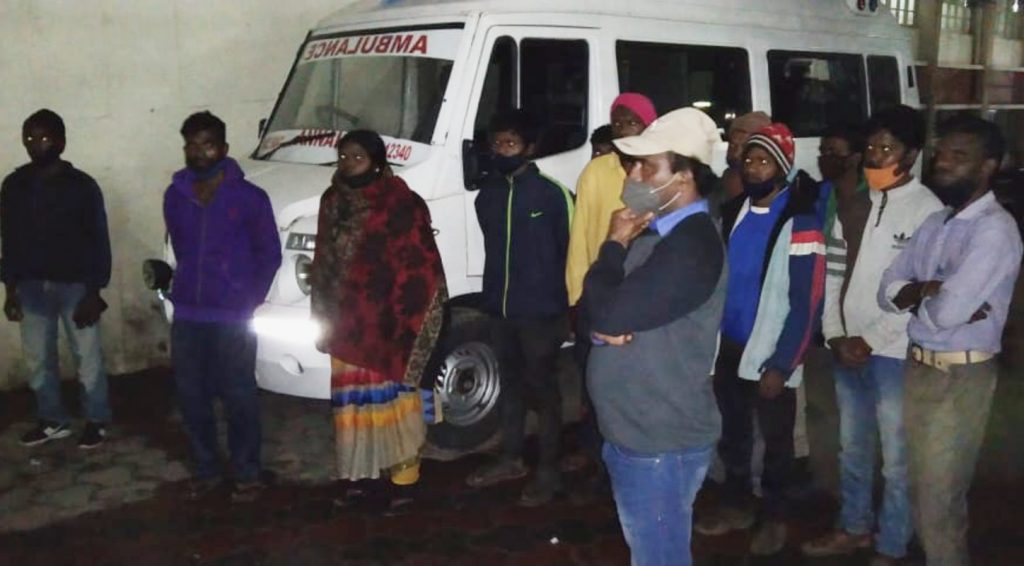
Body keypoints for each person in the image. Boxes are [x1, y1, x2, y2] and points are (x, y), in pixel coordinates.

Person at [878, 115, 1022, 566]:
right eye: (942, 153)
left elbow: (947, 313)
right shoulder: (936, 222)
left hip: (959, 375)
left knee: (939, 500)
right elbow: (887, 290)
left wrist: (919, 296)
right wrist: (928, 289)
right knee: (919, 490)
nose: (942, 163)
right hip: (919, 365)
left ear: (988, 166)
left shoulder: (994, 230)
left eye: (959, 156)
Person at [584, 108, 725, 565]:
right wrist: (602, 326)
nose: (634, 176)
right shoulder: (658, 232)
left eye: (648, 166)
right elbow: (597, 312)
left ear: (684, 176)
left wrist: (613, 244)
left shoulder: (692, 246)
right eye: (634, 165)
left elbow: (604, 309)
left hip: (661, 442)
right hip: (639, 432)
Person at [804, 106, 943, 565]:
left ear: (912, 154)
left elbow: (923, 292)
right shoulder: (855, 203)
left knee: (897, 460)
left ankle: (892, 543)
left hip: (893, 353)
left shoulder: (928, 212)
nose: (876, 156)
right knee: (853, 448)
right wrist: (835, 334)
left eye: (888, 148)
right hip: (847, 346)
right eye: (871, 147)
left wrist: (870, 339)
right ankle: (854, 526)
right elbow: (834, 272)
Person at [695, 123, 825, 556]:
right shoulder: (734, 212)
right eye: (749, 159)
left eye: (764, 160)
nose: (752, 168)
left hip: (770, 352)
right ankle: (737, 505)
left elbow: (808, 302)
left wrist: (783, 363)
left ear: (783, 166)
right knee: (733, 434)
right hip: (730, 345)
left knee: (775, 444)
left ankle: (774, 518)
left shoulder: (801, 222)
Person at [310, 130, 447, 510]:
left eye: (357, 157)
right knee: (355, 409)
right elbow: (323, 262)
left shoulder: (400, 203)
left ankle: (404, 481)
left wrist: (406, 323)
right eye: (343, 157)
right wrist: (323, 315)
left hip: (388, 328)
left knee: (394, 407)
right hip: (347, 328)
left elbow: (420, 268)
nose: (348, 164)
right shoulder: (332, 201)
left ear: (377, 162)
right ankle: (360, 477)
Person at [164, 111, 282, 502]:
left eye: (208, 144)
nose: (199, 152)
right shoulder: (175, 195)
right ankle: (206, 470)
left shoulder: (249, 198)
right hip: (188, 313)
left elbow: (269, 253)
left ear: (224, 148)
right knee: (191, 396)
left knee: (239, 395)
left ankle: (247, 472)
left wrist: (248, 296)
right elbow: (181, 247)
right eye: (192, 145)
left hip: (232, 316)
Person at [466, 109, 574, 507]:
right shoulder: (488, 195)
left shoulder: (553, 195)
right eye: (497, 144)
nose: (502, 151)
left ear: (530, 148)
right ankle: (511, 458)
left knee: (544, 392)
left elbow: (573, 254)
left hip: (542, 313)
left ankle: (549, 470)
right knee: (510, 386)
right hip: (500, 309)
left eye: (510, 143)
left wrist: (569, 312)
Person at [1, 109, 112, 449]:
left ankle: (96, 420)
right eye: (30, 138)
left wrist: (94, 291)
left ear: (62, 142)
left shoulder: (81, 186)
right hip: (31, 285)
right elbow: (10, 239)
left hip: (76, 285)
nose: (36, 144)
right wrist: (10, 289)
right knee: (37, 359)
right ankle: (52, 419)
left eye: (45, 137)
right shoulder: (14, 185)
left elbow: (98, 238)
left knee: (87, 358)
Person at [564, 93, 657, 483]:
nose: (623, 129)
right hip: (598, 293)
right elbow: (581, 235)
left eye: (631, 122)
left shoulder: (659, 171)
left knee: (634, 383)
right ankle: (595, 455)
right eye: (618, 122)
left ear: (649, 127)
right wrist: (577, 296)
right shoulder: (596, 172)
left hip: (640, 297)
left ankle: (633, 457)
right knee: (595, 381)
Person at [713, 111, 772, 222]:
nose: (736, 154)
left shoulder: (771, 188)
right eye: (733, 145)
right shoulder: (722, 182)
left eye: (745, 147)